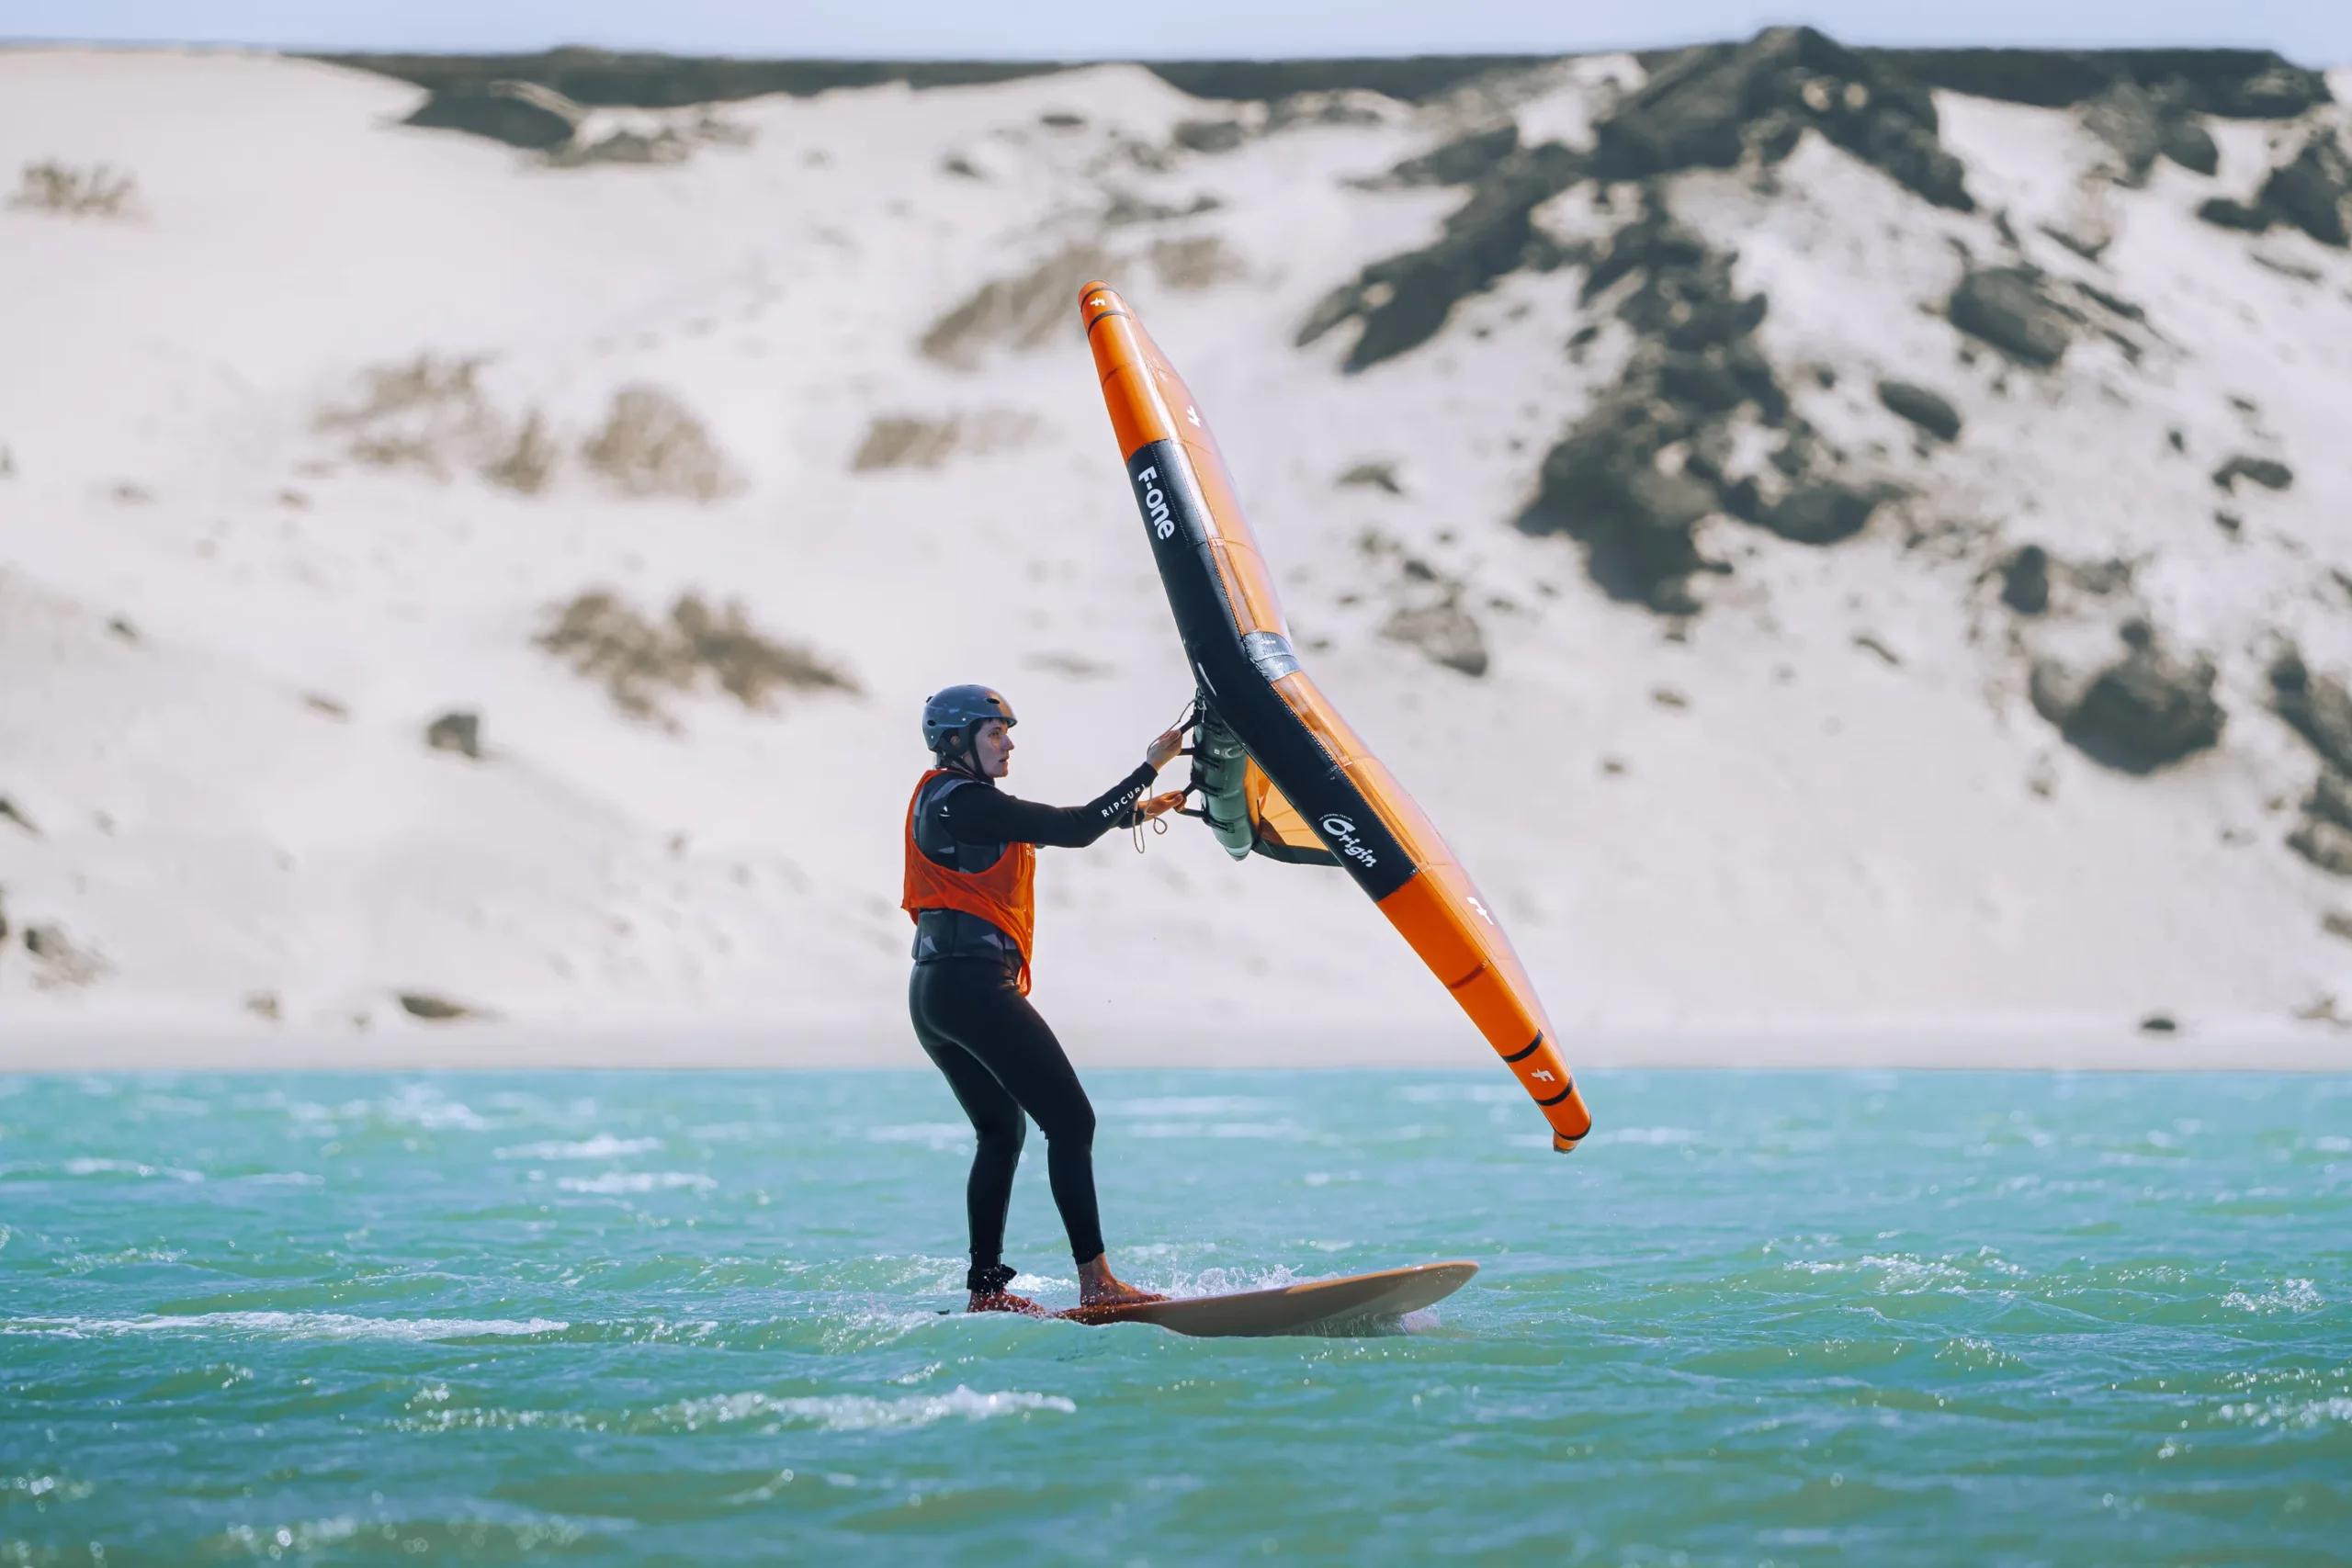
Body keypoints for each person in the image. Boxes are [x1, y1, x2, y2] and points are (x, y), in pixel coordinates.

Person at [903, 683, 1184, 1315]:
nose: (1008, 743)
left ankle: (986, 1291)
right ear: (956, 741)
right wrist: (1150, 764)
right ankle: (1098, 1282)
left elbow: (1050, 827)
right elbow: (1076, 827)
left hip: (934, 990)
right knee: (1072, 1122)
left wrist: (1138, 810)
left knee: (1001, 1130)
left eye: (1007, 731)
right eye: (994, 731)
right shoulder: (966, 801)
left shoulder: (952, 801)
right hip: (971, 985)